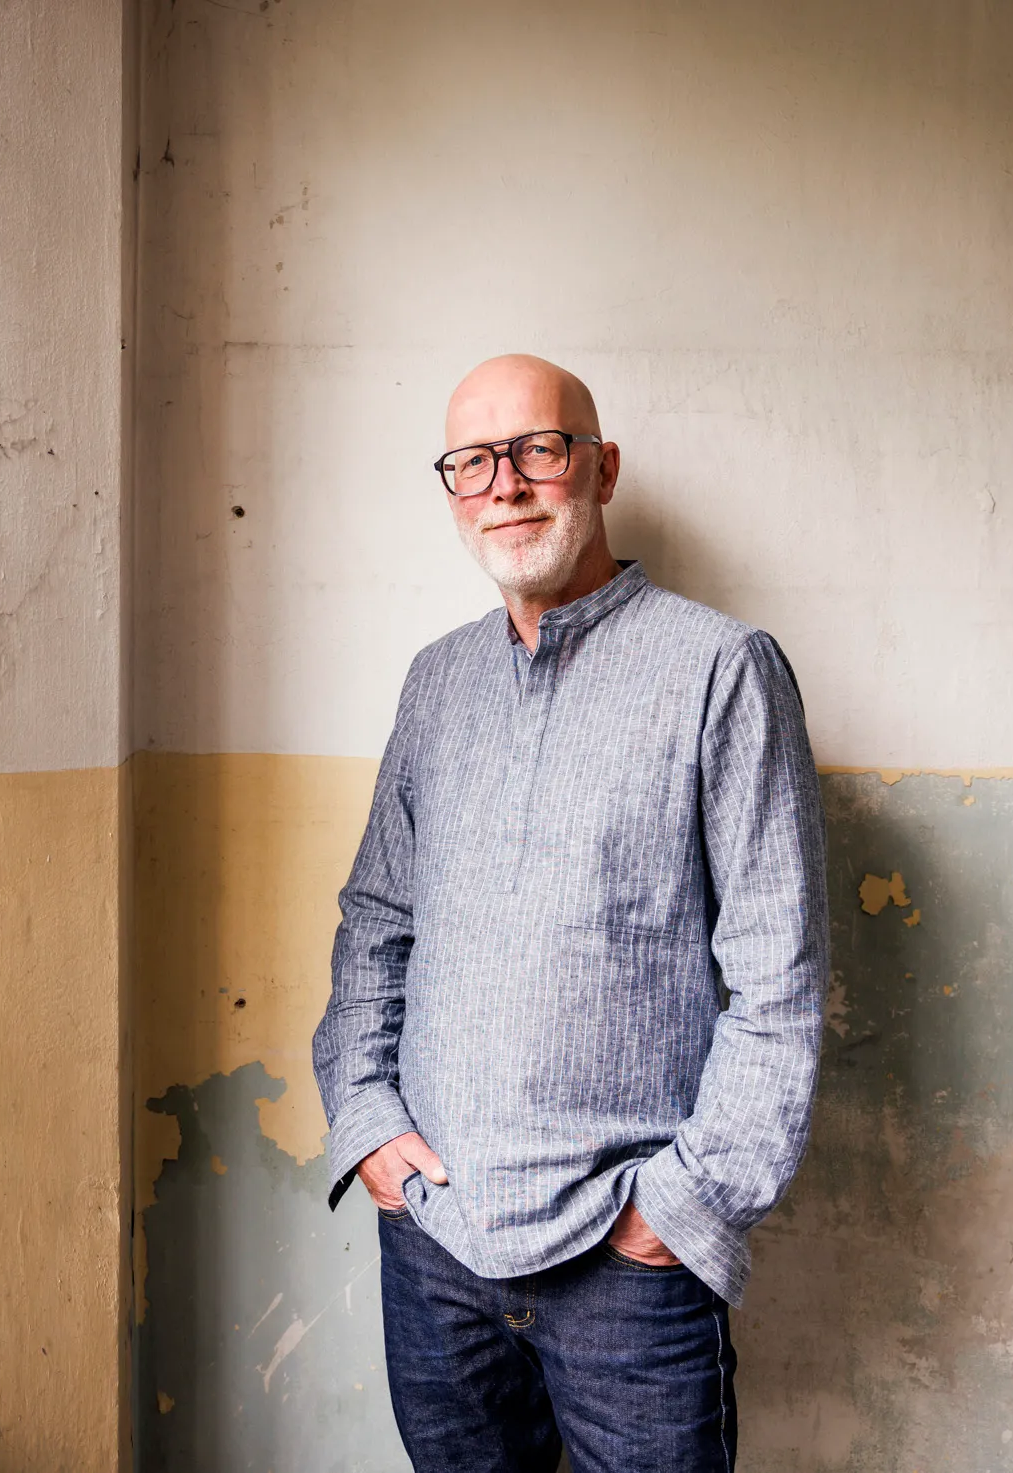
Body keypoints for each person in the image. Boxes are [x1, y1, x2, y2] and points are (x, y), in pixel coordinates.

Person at [311, 353, 828, 1472]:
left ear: (600, 468)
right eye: (473, 462)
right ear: (452, 489)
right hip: (437, 1253)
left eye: (538, 449)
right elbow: (375, 924)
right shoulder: (435, 684)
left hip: (624, 1273)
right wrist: (369, 1126)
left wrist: (678, 1214)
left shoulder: (720, 670)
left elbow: (779, 981)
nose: (506, 483)